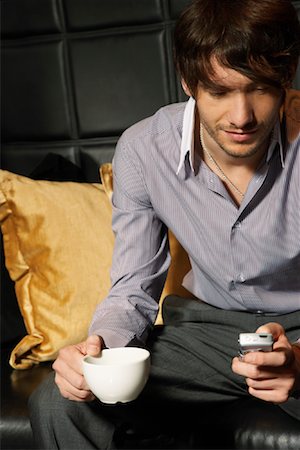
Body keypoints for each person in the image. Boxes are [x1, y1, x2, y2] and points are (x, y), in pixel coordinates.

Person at [29, 0, 300, 448]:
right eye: (218, 91)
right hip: (206, 332)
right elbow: (133, 288)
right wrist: (95, 351)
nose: (241, 116)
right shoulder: (142, 149)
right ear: (187, 81)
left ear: (286, 77)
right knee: (59, 404)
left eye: (260, 89)